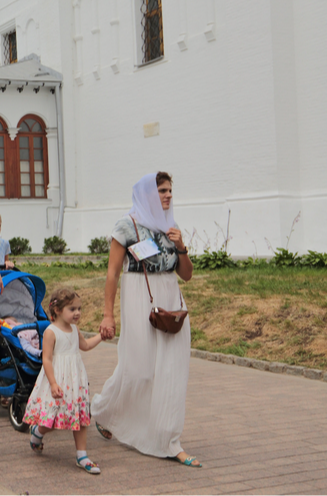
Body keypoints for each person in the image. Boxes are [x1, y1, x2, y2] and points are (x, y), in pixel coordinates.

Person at [92, 172, 199, 467]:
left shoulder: (171, 227)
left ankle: (168, 439)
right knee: (138, 369)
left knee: (171, 371)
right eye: (161, 191)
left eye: (169, 191)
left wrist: (181, 246)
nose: (167, 196)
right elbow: (113, 273)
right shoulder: (126, 226)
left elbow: (187, 275)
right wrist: (107, 314)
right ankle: (103, 410)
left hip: (171, 301)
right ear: (147, 194)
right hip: (140, 296)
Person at [24, 288, 104, 474]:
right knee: (51, 418)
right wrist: (52, 383)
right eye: (72, 309)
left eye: (79, 309)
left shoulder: (75, 330)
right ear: (58, 310)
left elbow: (85, 346)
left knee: (80, 415)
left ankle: (82, 455)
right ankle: (37, 432)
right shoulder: (51, 332)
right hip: (58, 379)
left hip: (75, 379)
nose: (77, 313)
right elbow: (47, 359)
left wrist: (102, 336)